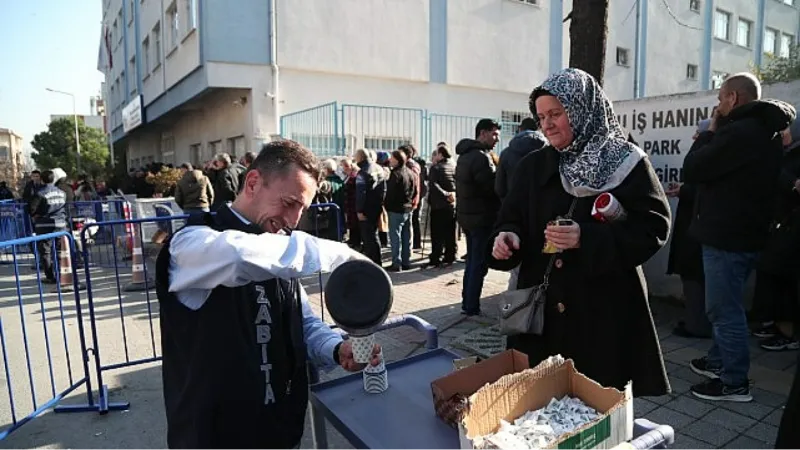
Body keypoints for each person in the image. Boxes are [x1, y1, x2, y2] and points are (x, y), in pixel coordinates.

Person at [155, 140, 381, 450]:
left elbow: (303, 322)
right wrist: (348, 257)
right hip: (213, 438)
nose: (292, 220)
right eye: (289, 202)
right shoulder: (191, 243)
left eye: (302, 209)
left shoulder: (278, 249)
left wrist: (335, 349)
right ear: (252, 182)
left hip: (280, 432)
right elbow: (239, 256)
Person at [489, 68, 671, 397]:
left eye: (556, 113)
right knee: (539, 404)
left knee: (595, 405)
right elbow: (509, 217)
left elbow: (654, 226)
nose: (547, 124)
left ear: (582, 110)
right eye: (541, 116)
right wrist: (507, 237)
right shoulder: (533, 165)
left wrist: (586, 239)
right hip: (540, 314)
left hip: (601, 311)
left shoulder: (625, 162)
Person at [684, 73, 795, 402]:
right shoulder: (765, 132)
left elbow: (693, 168)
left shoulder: (739, 133)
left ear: (733, 98)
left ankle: (733, 382)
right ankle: (719, 362)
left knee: (723, 310)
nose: (717, 106)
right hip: (745, 234)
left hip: (728, 237)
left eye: (720, 99)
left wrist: (709, 134)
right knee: (728, 306)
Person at [664, 119, 712, 339]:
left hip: (696, 228)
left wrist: (686, 191)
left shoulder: (709, 151)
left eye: (699, 132)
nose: (694, 136)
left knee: (695, 277)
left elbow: (705, 189)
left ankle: (697, 324)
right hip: (694, 225)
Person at [455, 118, 502, 316]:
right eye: (494, 135)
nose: (496, 140)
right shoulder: (481, 158)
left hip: (467, 216)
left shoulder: (465, 155)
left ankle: (468, 301)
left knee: (472, 260)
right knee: (478, 262)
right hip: (481, 218)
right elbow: (492, 188)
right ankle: (471, 304)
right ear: (482, 133)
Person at [495, 116, 548, 290]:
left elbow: (499, 188)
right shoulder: (549, 149)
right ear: (539, 128)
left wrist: (509, 207)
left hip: (516, 217)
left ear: (519, 129)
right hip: (545, 215)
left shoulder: (507, 153)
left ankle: (518, 310)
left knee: (518, 270)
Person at [27, 170, 68, 283]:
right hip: (60, 225)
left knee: (45, 252)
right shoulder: (62, 192)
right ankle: (62, 274)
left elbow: (31, 210)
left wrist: (37, 214)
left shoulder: (40, 193)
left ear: (42, 179)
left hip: (44, 225)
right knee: (60, 251)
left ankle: (50, 277)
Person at [384, 149, 417, 271]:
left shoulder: (395, 174)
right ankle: (406, 261)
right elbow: (415, 190)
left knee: (395, 236)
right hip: (408, 208)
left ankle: (396, 263)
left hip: (396, 209)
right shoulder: (410, 172)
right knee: (406, 236)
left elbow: (390, 193)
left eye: (392, 159)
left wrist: (387, 205)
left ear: (397, 160)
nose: (390, 161)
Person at [427, 143, 457, 268]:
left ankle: (436, 257)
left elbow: (433, 184)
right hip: (451, 204)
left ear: (440, 154)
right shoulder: (452, 166)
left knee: (437, 233)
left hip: (438, 205)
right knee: (450, 232)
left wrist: (445, 194)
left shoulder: (436, 168)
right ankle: (450, 255)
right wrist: (452, 194)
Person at [355, 149, 387, 264]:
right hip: (377, 206)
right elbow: (384, 188)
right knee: (374, 235)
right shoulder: (379, 168)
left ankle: (373, 264)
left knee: (368, 238)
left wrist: (359, 210)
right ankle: (378, 262)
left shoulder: (363, 172)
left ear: (359, 158)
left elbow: (361, 194)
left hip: (366, 209)